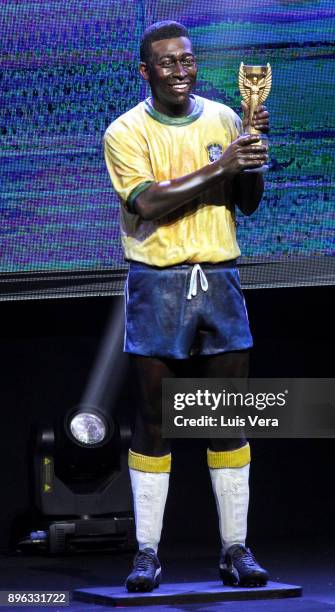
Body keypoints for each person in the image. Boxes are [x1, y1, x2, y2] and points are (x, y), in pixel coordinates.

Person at [103, 20, 270, 592]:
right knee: (156, 422)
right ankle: (147, 553)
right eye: (168, 63)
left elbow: (245, 204)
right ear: (145, 71)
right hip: (158, 283)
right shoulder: (124, 131)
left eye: (187, 61)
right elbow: (147, 203)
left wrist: (249, 156)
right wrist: (221, 165)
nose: (180, 71)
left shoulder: (227, 117)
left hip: (219, 277)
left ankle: (235, 550)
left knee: (226, 418)